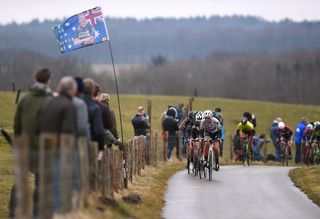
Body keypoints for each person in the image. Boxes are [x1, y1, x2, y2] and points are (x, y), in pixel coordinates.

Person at [10, 68, 53, 218]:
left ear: (35, 80)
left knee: (20, 182)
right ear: (48, 81)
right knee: (41, 184)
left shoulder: (24, 99)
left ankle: (13, 213)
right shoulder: (49, 101)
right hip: (43, 149)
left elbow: (16, 126)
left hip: (25, 147)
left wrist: (19, 142)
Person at [38, 76, 77, 212]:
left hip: (45, 147)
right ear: (72, 90)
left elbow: (40, 124)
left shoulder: (49, 102)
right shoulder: (69, 106)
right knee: (58, 184)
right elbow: (68, 131)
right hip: (59, 149)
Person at [82, 79, 105, 154]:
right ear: (92, 91)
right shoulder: (95, 108)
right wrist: (101, 147)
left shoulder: (75, 103)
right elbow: (99, 131)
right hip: (91, 144)